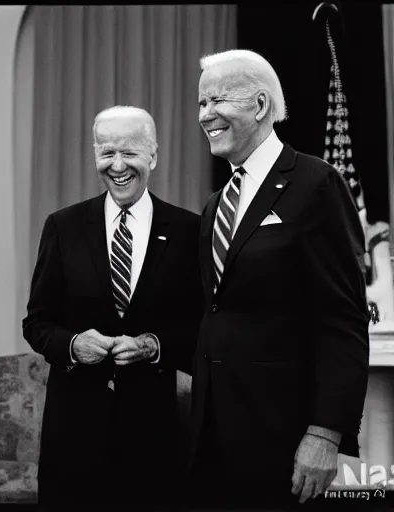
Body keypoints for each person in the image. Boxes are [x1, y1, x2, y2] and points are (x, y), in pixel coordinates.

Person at [189, 49, 370, 509]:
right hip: (213, 437)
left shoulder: (317, 184)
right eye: (200, 103)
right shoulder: (215, 203)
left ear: (261, 106)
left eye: (216, 101)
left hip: (284, 439)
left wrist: (326, 433)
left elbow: (343, 321)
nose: (204, 115)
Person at [23, 105, 203, 508]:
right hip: (74, 433)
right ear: (95, 155)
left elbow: (202, 329)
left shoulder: (189, 231)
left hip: (153, 435)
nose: (117, 165)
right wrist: (72, 344)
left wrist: (155, 345)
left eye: (130, 153)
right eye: (107, 153)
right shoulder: (63, 226)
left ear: (153, 156)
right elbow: (36, 323)